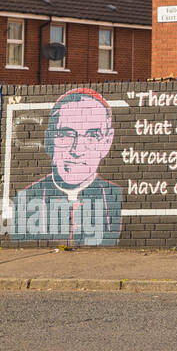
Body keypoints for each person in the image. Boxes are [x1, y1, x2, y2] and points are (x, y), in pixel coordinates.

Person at [12, 88, 121, 245]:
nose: (77, 150)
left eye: (92, 136)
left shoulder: (114, 195)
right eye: (66, 134)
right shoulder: (25, 198)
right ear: (49, 139)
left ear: (107, 142)